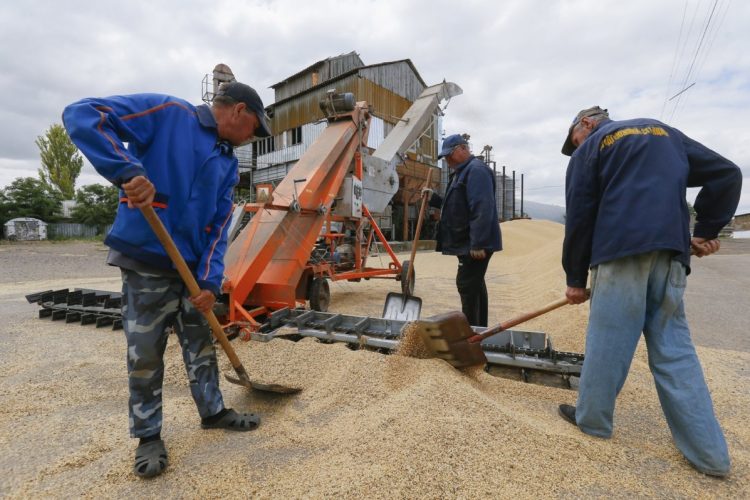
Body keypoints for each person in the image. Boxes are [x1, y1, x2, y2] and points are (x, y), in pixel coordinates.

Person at [62, 81, 272, 479]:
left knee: (200, 345)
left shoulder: (227, 163)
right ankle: (148, 436)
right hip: (147, 259)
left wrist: (210, 283)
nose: (251, 139)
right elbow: (83, 114)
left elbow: (217, 227)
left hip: (191, 272)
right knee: (145, 353)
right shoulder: (170, 115)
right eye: (254, 130)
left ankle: (213, 411)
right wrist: (127, 171)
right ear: (239, 111)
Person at [557, 106, 741, 477]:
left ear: (586, 125)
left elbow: (579, 216)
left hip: (620, 254)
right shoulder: (665, 133)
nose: (574, 147)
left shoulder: (592, 147)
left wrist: (575, 278)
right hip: (671, 256)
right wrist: (706, 229)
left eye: (572, 140)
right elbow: (727, 173)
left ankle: (592, 421)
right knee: (675, 352)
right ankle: (711, 457)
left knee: (609, 342)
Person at [425, 134, 501, 326]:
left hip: (473, 243)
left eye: (450, 155)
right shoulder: (462, 172)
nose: (448, 160)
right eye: (445, 157)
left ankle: (471, 336)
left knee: (467, 285)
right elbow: (457, 207)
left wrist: (478, 242)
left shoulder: (476, 171)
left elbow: (482, 207)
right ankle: (479, 331)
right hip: (467, 242)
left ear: (463, 149)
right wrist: (434, 199)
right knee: (474, 285)